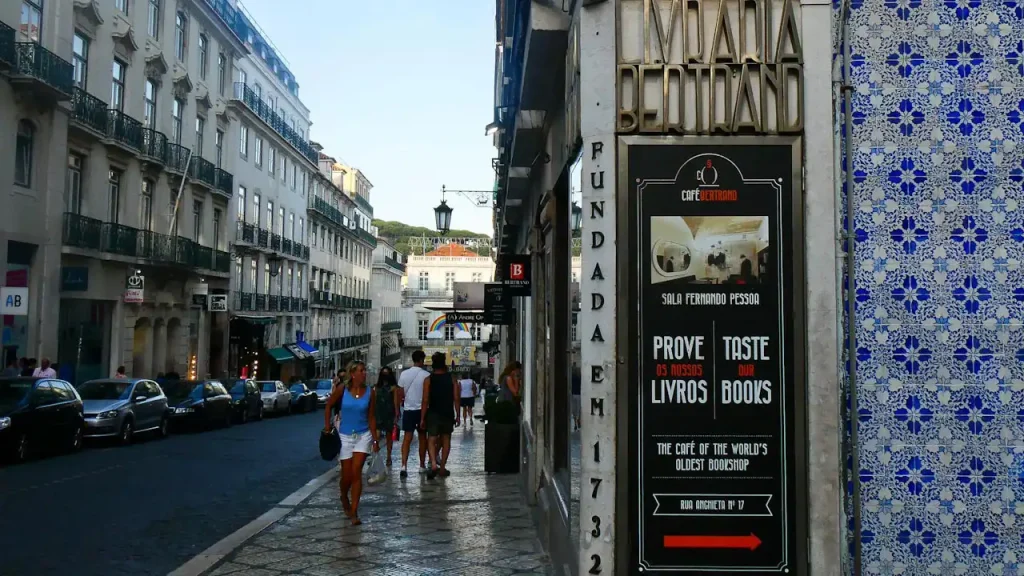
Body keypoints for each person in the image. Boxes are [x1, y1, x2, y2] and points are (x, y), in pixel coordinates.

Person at [323, 361, 378, 526]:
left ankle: (354, 511)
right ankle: (343, 495)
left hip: (363, 435)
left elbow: (371, 416)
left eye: (365, 371)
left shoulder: (370, 392)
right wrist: (327, 427)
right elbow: (328, 406)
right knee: (346, 476)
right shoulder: (342, 389)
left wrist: (375, 439)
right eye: (361, 371)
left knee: (356, 472)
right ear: (352, 374)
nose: (364, 373)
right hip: (345, 436)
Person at [420, 352, 460, 479]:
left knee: (431, 439)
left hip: (433, 413)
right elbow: (456, 398)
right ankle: (442, 467)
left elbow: (425, 400)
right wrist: (458, 414)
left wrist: (422, 417)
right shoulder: (452, 379)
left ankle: (433, 464)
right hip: (447, 413)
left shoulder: (428, 380)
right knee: (446, 439)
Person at [396, 350, 430, 479]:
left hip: (409, 410)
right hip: (422, 410)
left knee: (407, 439)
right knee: (422, 438)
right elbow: (427, 397)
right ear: (421, 360)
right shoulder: (426, 375)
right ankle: (421, 465)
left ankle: (403, 466)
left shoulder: (404, 374)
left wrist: (399, 408)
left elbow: (400, 393)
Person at [374, 367, 400, 466]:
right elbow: (374, 400)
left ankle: (389, 457)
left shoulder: (393, 388)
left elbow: (395, 401)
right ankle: (375, 454)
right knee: (376, 435)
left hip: (389, 412)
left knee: (389, 436)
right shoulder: (376, 387)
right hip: (379, 412)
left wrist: (396, 413)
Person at [571, 365, 582, 431]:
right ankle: (579, 419)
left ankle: (575, 423)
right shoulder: (580, 378)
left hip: (573, 394)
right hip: (579, 395)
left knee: (574, 410)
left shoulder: (572, 377)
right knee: (579, 409)